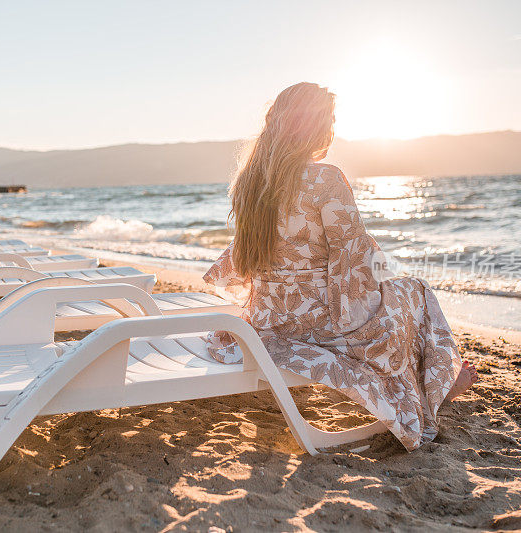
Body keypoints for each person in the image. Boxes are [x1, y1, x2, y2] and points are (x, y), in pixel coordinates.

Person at [204, 82, 477, 451]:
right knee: (415, 291)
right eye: (330, 119)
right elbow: (352, 262)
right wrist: (382, 289)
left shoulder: (249, 182)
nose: (333, 129)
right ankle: (437, 389)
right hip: (318, 322)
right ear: (314, 126)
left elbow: (247, 257)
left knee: (396, 293)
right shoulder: (325, 178)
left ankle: (436, 382)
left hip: (268, 319)